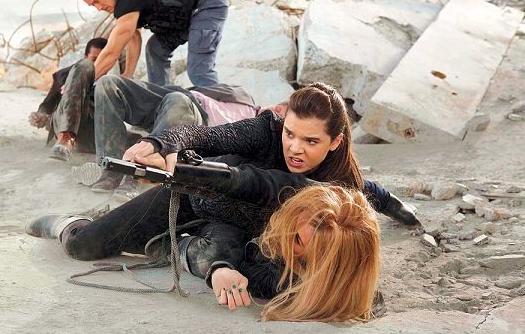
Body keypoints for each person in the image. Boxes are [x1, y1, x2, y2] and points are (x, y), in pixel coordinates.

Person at [26, 83, 420, 281]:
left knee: (225, 264)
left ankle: (172, 246)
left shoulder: (338, 186)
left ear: (335, 141)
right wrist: (160, 143)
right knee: (84, 246)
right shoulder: (265, 130)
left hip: (239, 233)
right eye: (290, 133)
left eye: (311, 141)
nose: (295, 148)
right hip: (195, 197)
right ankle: (69, 222)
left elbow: (368, 193)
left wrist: (407, 217)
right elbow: (205, 136)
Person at [209, 185, 381, 322]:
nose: (281, 235)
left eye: (297, 239)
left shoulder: (281, 281)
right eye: (291, 222)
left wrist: (219, 268)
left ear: (324, 267)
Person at [89, 74, 287, 192]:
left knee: (178, 100)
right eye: (281, 111)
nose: (277, 114)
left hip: (193, 125)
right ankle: (110, 170)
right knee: (109, 83)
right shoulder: (243, 95)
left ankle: (134, 172)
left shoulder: (257, 138)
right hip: (179, 98)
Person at [79, 0, 228, 87]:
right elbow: (132, 36)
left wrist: (82, 85)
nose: (99, 8)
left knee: (198, 72)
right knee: (155, 50)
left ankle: (228, 106)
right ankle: (164, 99)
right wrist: (128, 74)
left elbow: (111, 52)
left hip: (206, 4)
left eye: (96, 1)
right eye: (93, 6)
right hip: (184, 17)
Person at [29, 38, 108, 160]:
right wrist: (41, 116)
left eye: (104, 59)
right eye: (94, 59)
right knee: (85, 66)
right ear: (85, 56)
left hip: (94, 133)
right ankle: (66, 138)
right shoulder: (66, 75)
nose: (99, 63)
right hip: (64, 124)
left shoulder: (112, 80)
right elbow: (47, 106)